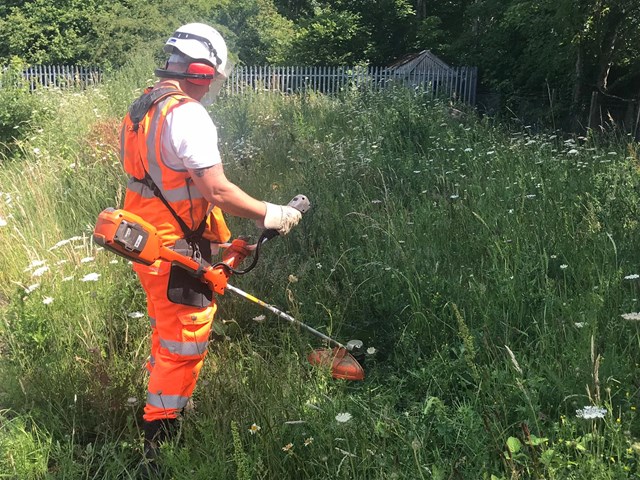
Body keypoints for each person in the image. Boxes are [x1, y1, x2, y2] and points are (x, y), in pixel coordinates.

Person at [118, 23, 302, 465]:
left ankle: (168, 403)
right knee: (185, 341)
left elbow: (169, 187)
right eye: (214, 77)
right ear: (201, 72)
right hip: (175, 251)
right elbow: (216, 190)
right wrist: (270, 213)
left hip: (147, 243)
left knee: (168, 336)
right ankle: (158, 445)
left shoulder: (142, 108)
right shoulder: (187, 114)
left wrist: (218, 243)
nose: (214, 87)